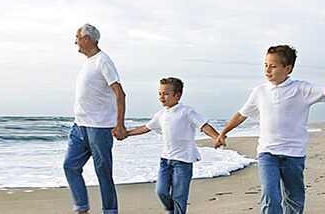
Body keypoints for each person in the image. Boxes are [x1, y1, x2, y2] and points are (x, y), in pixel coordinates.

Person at [216, 45, 325, 214]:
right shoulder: (259, 92)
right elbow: (242, 115)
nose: (267, 70)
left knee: (294, 199)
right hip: (267, 153)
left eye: (273, 66)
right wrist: (223, 133)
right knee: (270, 195)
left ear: (288, 68)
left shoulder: (301, 89)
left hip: (294, 154)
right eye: (265, 65)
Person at [122, 77, 223, 214]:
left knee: (179, 196)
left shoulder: (186, 111)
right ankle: (171, 210)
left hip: (183, 161)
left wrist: (217, 137)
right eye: (159, 93)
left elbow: (203, 126)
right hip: (165, 160)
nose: (161, 97)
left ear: (177, 95)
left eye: (165, 94)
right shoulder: (161, 114)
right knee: (161, 191)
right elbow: (146, 128)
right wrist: (127, 133)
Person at [65, 23, 128, 214]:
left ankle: (110, 210)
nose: (75, 41)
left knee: (103, 172)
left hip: (99, 127)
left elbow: (119, 93)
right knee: (70, 166)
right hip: (79, 126)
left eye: (77, 37)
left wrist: (120, 124)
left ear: (86, 39)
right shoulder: (88, 63)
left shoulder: (103, 60)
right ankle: (82, 209)